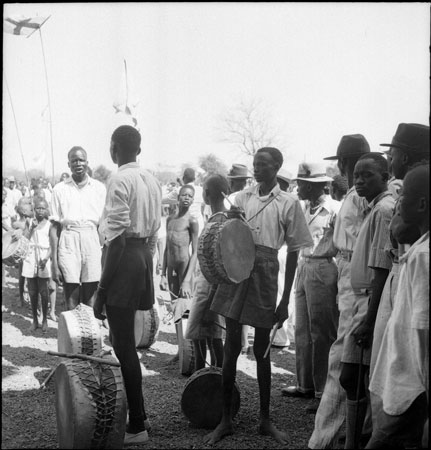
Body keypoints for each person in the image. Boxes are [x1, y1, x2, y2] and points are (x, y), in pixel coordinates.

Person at [204, 147, 313, 445]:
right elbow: (225, 232)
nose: (257, 169)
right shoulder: (242, 198)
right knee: (231, 348)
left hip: (266, 272)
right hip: (237, 267)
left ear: (277, 166)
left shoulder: (288, 202)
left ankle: (265, 420)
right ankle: (226, 419)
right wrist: (231, 218)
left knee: (262, 350)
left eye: (263, 165)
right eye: (255, 164)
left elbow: (293, 253)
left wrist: (284, 299)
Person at [93, 125, 162, 446]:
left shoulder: (119, 179)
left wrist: (102, 291)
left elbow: (117, 239)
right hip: (141, 258)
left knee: (123, 346)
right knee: (125, 345)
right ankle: (140, 416)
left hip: (124, 260)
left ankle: (137, 423)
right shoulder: (150, 179)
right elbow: (153, 231)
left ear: (114, 147)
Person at [309, 133, 371, 449]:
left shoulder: (362, 195)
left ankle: (321, 442)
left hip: (357, 276)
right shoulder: (350, 195)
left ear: (343, 161)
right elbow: (336, 240)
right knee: (350, 360)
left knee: (341, 361)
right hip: (345, 270)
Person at [369, 123, 429, 436]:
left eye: (392, 154)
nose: (389, 160)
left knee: (402, 364)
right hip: (406, 270)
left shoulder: (416, 184)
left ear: (403, 155)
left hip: (409, 273)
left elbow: (401, 230)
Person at [338, 153, 394, 449]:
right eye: (356, 175)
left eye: (367, 175)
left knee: (354, 375)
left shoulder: (385, 209)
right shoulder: (372, 208)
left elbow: (382, 268)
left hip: (373, 301)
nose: (359, 180)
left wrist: (369, 320)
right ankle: (355, 439)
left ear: (385, 176)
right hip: (361, 299)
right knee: (353, 376)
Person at [282, 162, 340, 415]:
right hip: (304, 266)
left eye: (304, 184)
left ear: (318, 186)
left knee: (322, 332)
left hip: (323, 266)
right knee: (302, 329)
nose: (299, 187)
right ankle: (304, 384)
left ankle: (323, 392)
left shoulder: (334, 210)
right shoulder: (301, 207)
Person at [50, 146, 106, 310]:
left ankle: (89, 333)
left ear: (87, 163)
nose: (78, 163)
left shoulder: (99, 188)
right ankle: (72, 334)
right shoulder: (59, 189)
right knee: (71, 291)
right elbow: (54, 228)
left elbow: (103, 225)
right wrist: (54, 262)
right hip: (69, 238)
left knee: (90, 292)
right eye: (74, 160)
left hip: (91, 237)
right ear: (69, 164)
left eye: (81, 160)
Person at [185, 174, 229, 371]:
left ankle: (205, 376)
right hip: (212, 285)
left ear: (207, 193)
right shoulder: (223, 217)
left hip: (210, 286)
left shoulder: (220, 220)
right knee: (212, 333)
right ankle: (213, 375)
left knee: (198, 332)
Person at [160, 184, 199, 362]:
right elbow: (168, 247)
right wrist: (162, 273)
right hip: (171, 268)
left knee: (186, 308)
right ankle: (180, 350)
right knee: (175, 306)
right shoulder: (170, 219)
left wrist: (187, 279)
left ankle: (191, 352)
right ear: (178, 197)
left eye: (190, 196)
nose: (186, 198)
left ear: (193, 200)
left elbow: (196, 252)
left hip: (185, 268)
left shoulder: (192, 221)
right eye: (183, 195)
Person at [224, 163, 253, 355]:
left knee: (233, 301)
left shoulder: (234, 199)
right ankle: (244, 341)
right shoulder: (249, 197)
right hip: (245, 252)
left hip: (232, 252)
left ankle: (236, 342)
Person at [21, 198, 52, 332]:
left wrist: (46, 259)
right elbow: (25, 239)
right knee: (32, 291)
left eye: (42, 208)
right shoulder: (29, 222)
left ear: (47, 210)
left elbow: (52, 245)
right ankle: (34, 320)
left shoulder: (50, 224)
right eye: (37, 208)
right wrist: (32, 228)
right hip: (30, 256)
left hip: (43, 257)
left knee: (44, 291)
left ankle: (45, 319)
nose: (40, 211)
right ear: (34, 210)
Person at [182, 167, 205, 234]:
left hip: (184, 224)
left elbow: (163, 199)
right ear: (194, 179)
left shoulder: (179, 190)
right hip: (199, 223)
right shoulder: (201, 190)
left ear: (183, 178)